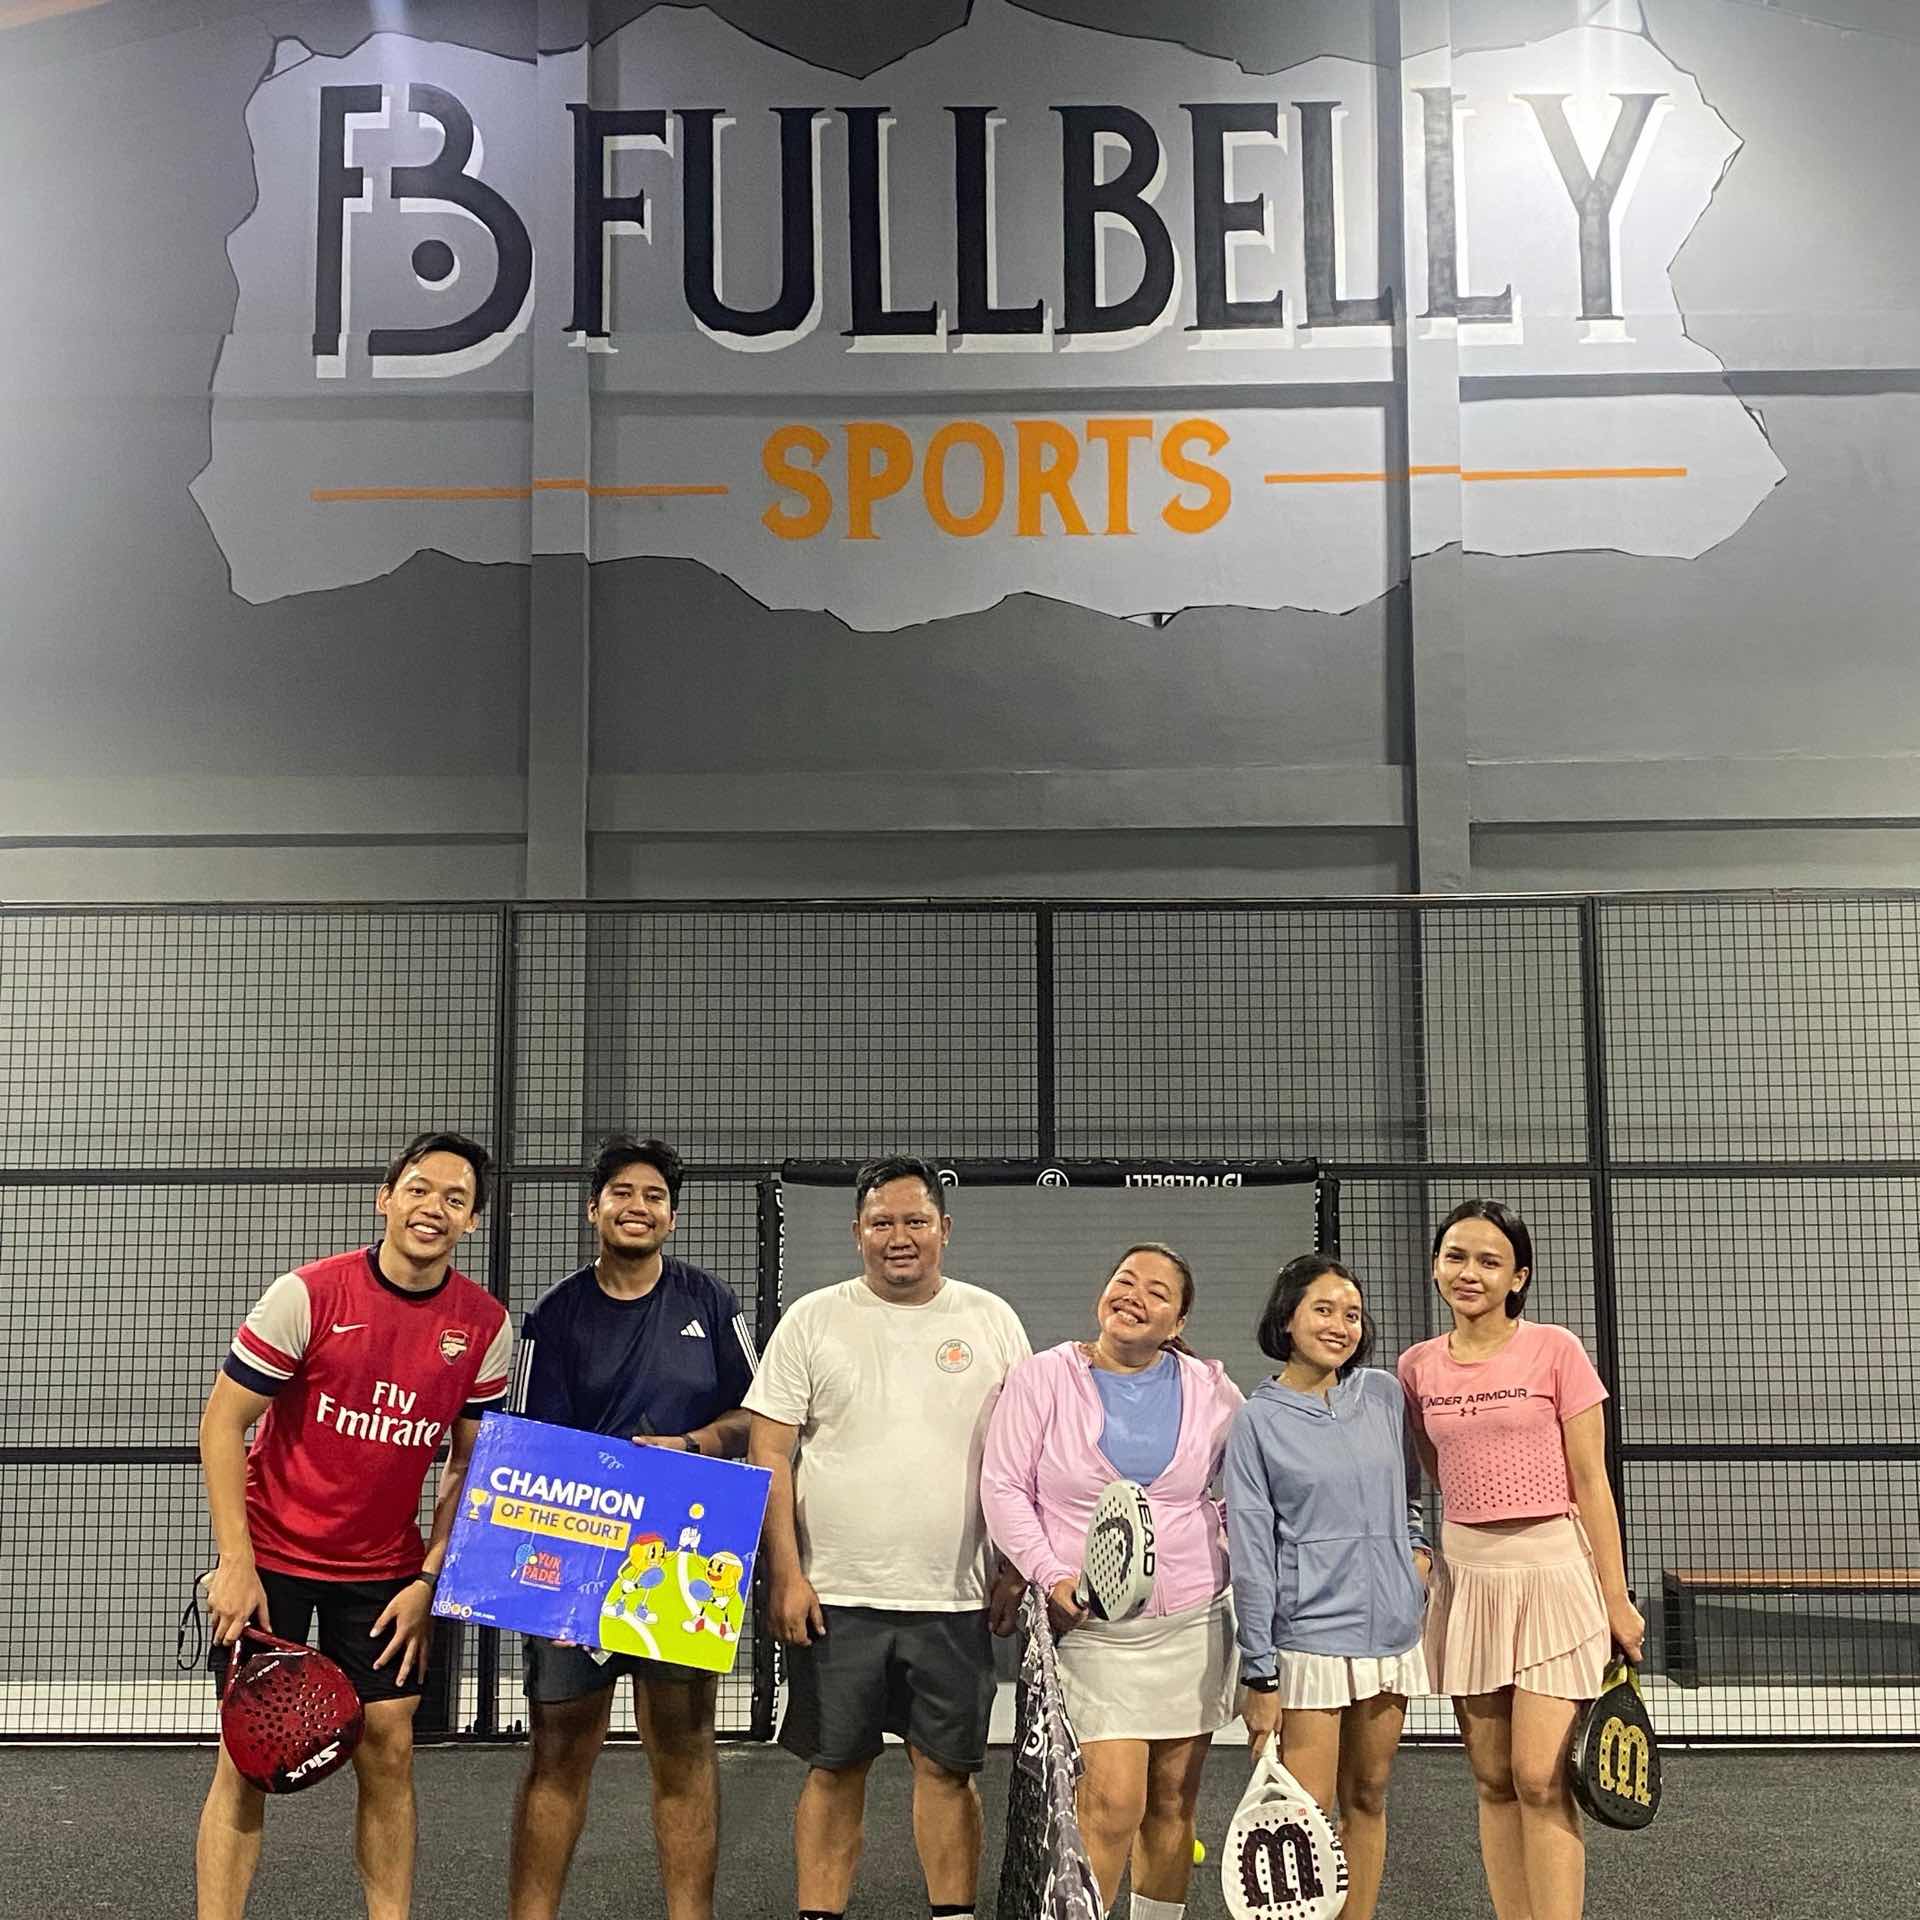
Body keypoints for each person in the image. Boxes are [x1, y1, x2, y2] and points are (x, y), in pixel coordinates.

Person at [195, 1131, 511, 1920]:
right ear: (386, 1198)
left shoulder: (484, 1326)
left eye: (455, 1198)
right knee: (247, 1755)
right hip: (273, 1555)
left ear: (472, 1220)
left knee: (391, 1748)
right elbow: (222, 1423)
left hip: (384, 1570)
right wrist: (235, 1561)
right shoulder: (307, 1295)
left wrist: (429, 1578)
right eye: (419, 1189)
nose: (433, 1208)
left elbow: (470, 1469)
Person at [744, 1155, 1031, 1920]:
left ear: (944, 1229)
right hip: (835, 1598)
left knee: (947, 1772)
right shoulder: (812, 1320)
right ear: (857, 1232)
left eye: (914, 1221)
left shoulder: (992, 1320)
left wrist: (1012, 1567)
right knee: (834, 1768)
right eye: (881, 1223)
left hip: (956, 1600)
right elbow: (769, 1453)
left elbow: (1023, 1454)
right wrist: (787, 1575)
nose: (898, 1237)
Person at [507, 1133, 760, 1920]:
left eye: (654, 1196)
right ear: (594, 1209)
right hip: (571, 1561)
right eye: (622, 1193)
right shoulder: (553, 1315)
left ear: (672, 1218)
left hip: (683, 1560)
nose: (638, 1207)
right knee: (558, 1754)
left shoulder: (710, 1303)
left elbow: (755, 1416)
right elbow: (522, 1445)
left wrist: (691, 1444)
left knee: (684, 1751)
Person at [981, 1243, 1244, 1920]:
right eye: (1126, 1280)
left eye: (1157, 1291)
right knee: (1111, 1804)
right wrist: (1048, 1574)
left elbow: (1247, 1489)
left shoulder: (1213, 1391)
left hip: (1192, 1624)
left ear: (1178, 1322)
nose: (1134, 1295)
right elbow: (1004, 1488)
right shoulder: (1042, 1378)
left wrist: (1215, 1539)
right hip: (1089, 1629)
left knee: (1173, 1804)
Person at [1398, 1199, 1645, 1920]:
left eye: (1489, 1261)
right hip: (1469, 1580)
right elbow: (1438, 1469)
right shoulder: (1416, 1367)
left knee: (1540, 1776)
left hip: (1555, 1574)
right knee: (1493, 1779)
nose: (1468, 1272)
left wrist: (1616, 1598)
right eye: (1455, 1256)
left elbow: (1592, 1482)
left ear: (1519, 1277)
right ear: (1436, 1265)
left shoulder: (1555, 1349)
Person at [1223, 1255, 1431, 1920]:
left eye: (1352, 1313)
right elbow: (1251, 1553)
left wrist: (1417, 1559)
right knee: (1303, 1817)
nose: (1341, 1324)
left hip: (1390, 1639)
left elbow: (1409, 1495)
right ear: (1287, 1319)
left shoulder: (1383, 1395)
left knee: (1368, 1799)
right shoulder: (1256, 1421)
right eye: (1323, 1309)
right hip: (1307, 1644)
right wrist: (1259, 1672)